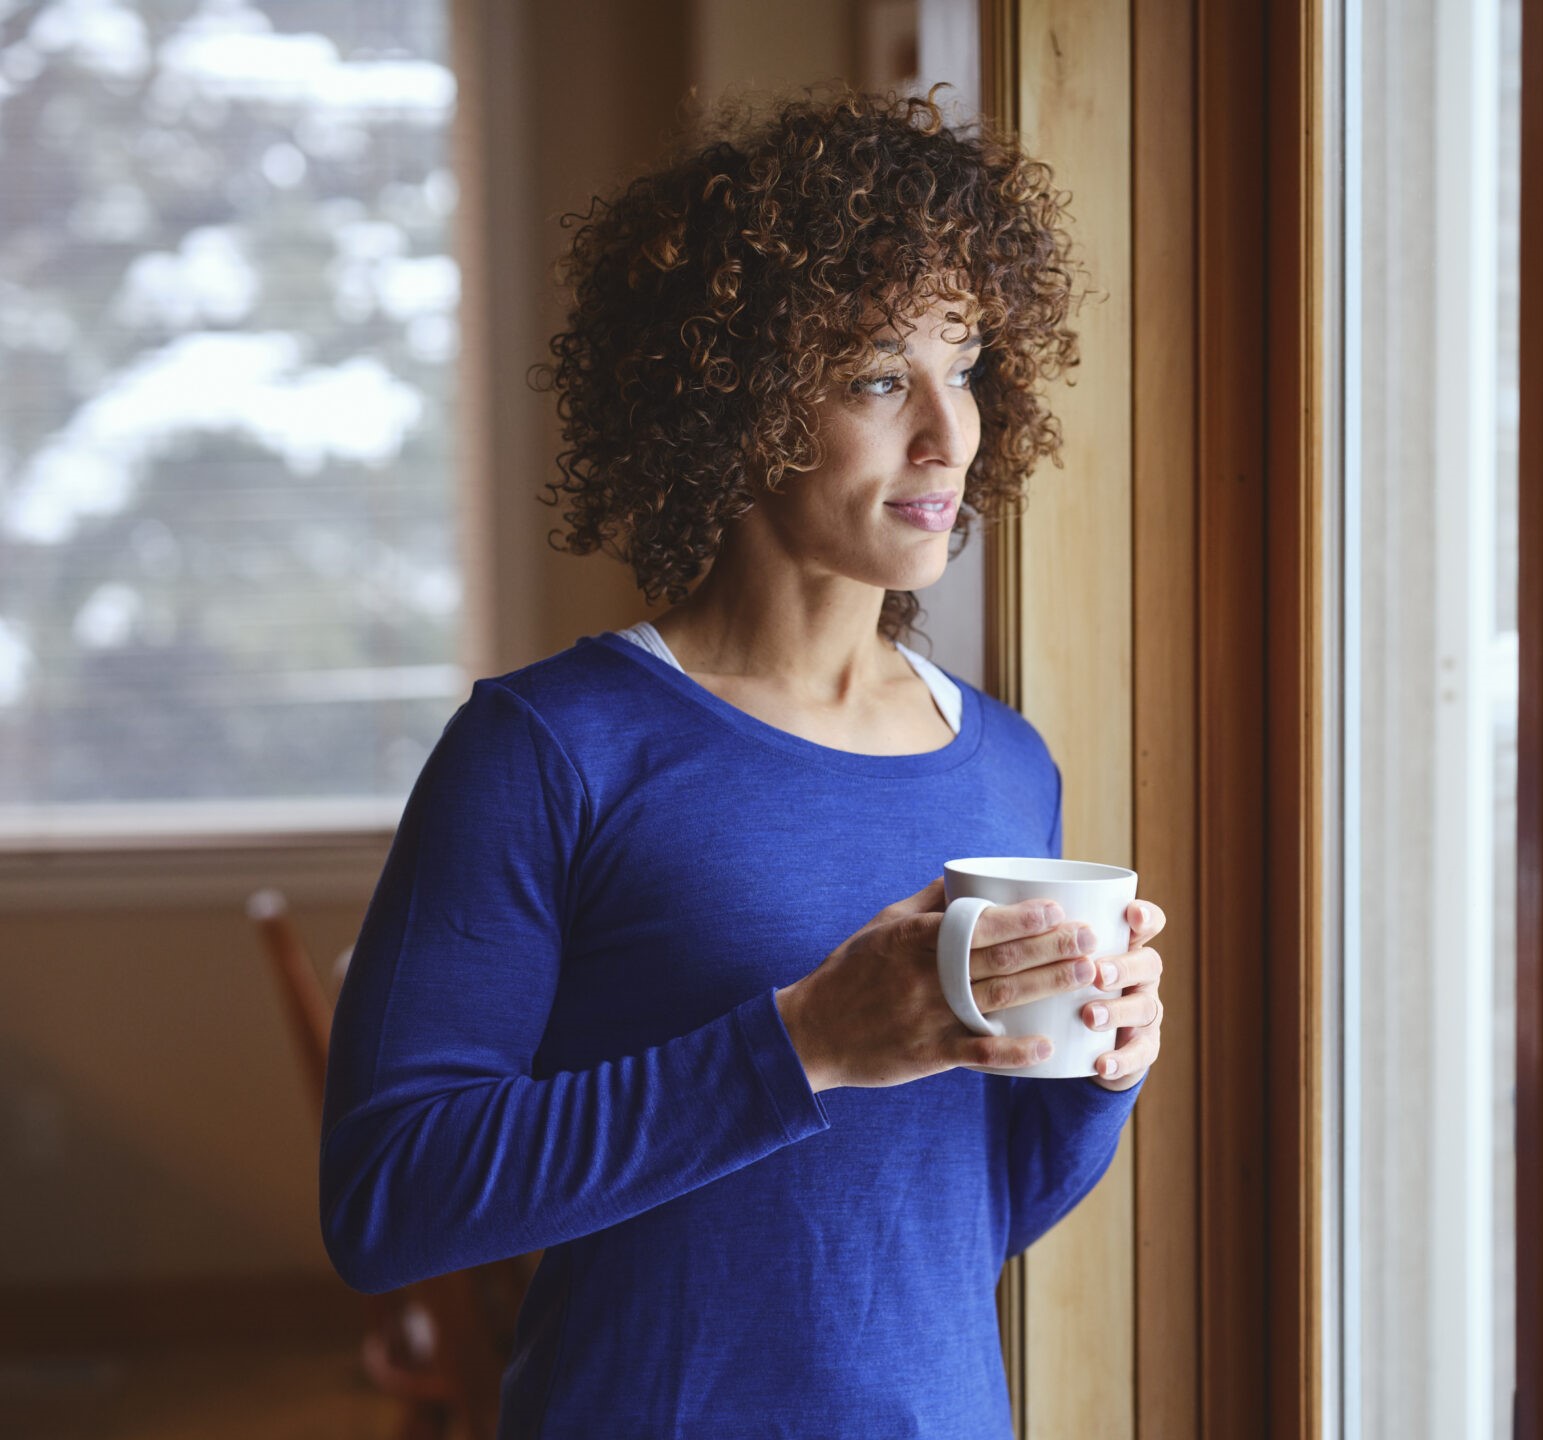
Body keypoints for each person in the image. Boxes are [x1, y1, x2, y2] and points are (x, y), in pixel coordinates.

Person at [318, 87, 1168, 1436]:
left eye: (967, 367)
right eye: (882, 377)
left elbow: (981, 1217)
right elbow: (390, 1201)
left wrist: (1103, 1068)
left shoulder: (1010, 768)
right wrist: (807, 1042)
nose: (949, 436)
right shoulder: (548, 751)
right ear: (736, 399)